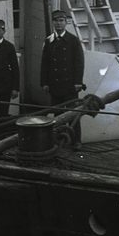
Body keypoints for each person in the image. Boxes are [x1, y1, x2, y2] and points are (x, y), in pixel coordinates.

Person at [39, 9, 84, 147]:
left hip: (70, 84)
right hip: (55, 84)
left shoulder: (73, 40)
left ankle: (76, 141)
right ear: (53, 23)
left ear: (66, 22)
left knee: (72, 114)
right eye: (56, 21)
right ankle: (59, 139)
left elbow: (79, 62)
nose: (58, 23)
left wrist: (78, 82)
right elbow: (45, 63)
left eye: (61, 21)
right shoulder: (49, 41)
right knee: (57, 114)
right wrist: (44, 82)